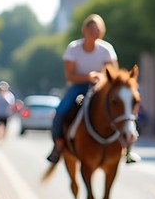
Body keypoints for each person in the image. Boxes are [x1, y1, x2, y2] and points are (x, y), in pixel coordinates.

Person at [48, 14, 121, 164]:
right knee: (61, 111)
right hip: (79, 86)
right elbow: (70, 76)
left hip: (101, 87)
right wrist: (88, 77)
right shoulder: (73, 48)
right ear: (85, 30)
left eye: (98, 30)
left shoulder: (106, 49)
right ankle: (58, 144)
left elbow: (114, 75)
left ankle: (126, 147)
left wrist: (101, 78)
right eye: (91, 29)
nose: (94, 33)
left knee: (123, 109)